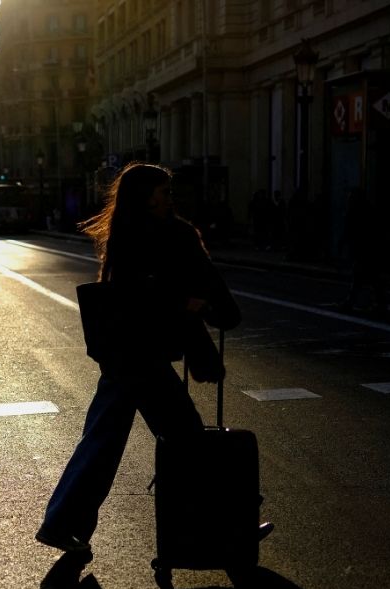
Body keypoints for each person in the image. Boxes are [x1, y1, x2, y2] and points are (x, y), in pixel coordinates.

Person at [36, 163, 249, 555]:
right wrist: (191, 305)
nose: (170, 197)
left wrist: (194, 304)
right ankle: (219, 530)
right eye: (162, 191)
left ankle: (61, 523)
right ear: (144, 196)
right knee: (185, 438)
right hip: (141, 356)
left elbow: (133, 293)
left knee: (104, 440)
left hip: (124, 353)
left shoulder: (128, 233)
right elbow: (152, 295)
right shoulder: (170, 235)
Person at [339, 187, 387, 312]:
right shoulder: (367, 210)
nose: (349, 199)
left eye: (351, 197)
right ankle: (377, 302)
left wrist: (344, 244)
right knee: (369, 276)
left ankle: (353, 301)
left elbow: (349, 231)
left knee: (365, 276)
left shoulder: (355, 211)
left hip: (363, 249)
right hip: (367, 249)